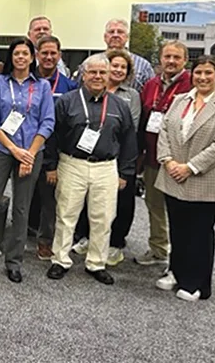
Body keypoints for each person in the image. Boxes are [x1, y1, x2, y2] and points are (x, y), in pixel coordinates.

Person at [153, 55, 215, 301]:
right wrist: (168, 161)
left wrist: (190, 167)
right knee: (178, 228)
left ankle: (196, 283)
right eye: (198, 72)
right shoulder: (180, 100)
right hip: (173, 175)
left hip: (205, 179)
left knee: (200, 232)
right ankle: (175, 271)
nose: (202, 77)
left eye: (208, 73)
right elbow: (164, 130)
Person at [46, 53, 137, 285]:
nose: (97, 76)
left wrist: (125, 172)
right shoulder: (67, 101)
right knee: (66, 214)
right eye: (93, 72)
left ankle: (96, 262)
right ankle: (60, 259)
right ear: (83, 75)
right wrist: (51, 166)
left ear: (108, 76)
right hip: (72, 164)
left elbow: (128, 140)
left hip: (106, 167)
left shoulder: (119, 105)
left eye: (102, 72)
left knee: (103, 218)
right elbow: (53, 136)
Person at [0, 38, 54, 283]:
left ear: (32, 57)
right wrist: (13, 149)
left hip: (31, 152)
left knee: (21, 208)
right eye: (16, 53)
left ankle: (14, 262)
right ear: (11, 57)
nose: (21, 57)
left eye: (25, 53)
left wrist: (29, 153)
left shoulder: (42, 87)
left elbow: (47, 122)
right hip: (1, 150)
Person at [72, 49, 141, 266]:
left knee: (118, 203)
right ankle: (87, 237)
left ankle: (115, 244)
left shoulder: (131, 96)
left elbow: (131, 128)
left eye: (123, 67)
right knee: (89, 200)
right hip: (89, 155)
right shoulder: (88, 91)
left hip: (116, 155)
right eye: (114, 66)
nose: (118, 70)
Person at [135, 41, 192, 266]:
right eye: (167, 56)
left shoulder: (192, 84)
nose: (171, 61)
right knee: (154, 205)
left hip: (179, 160)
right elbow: (144, 120)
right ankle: (159, 250)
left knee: (179, 211)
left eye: (176, 57)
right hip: (152, 157)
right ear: (160, 59)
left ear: (185, 60)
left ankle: (180, 259)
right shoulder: (151, 85)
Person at [27, 35, 78, 261]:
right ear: (37, 55)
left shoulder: (69, 87)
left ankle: (46, 240)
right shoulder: (25, 80)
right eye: (44, 53)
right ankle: (18, 235)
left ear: (59, 55)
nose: (48, 57)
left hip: (55, 150)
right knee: (23, 194)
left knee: (50, 199)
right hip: (27, 148)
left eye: (53, 53)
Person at [76, 18, 155, 92]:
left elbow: (150, 93)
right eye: (111, 32)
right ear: (105, 37)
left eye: (120, 32)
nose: (115, 35)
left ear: (127, 37)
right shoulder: (89, 62)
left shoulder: (144, 66)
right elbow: (78, 90)